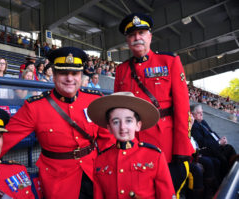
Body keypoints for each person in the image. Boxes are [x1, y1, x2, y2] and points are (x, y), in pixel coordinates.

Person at [0, 47, 115, 199]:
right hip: (58, 179)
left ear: (81, 76)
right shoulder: (35, 107)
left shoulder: (94, 100)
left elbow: (108, 139)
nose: (70, 78)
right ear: (54, 76)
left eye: (75, 73)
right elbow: (4, 139)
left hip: (93, 171)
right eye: (63, 73)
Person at [115, 13, 195, 196]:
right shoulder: (121, 70)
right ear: (127, 40)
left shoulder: (169, 62)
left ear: (150, 36)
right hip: (132, 144)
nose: (137, 38)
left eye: (141, 33)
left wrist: (181, 150)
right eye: (132, 35)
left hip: (165, 146)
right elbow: (117, 110)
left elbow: (182, 109)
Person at [87, 92, 176, 199]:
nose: (122, 127)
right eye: (116, 122)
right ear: (109, 128)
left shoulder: (154, 156)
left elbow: (166, 195)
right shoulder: (100, 160)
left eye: (128, 121)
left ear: (138, 125)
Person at [190, 104, 237, 180]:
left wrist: (220, 140)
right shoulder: (194, 126)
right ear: (192, 114)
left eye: (202, 112)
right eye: (199, 113)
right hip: (208, 149)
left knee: (229, 148)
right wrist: (218, 143)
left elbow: (212, 133)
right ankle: (227, 179)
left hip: (215, 145)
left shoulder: (203, 122)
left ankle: (234, 172)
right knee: (222, 158)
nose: (202, 114)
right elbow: (201, 142)